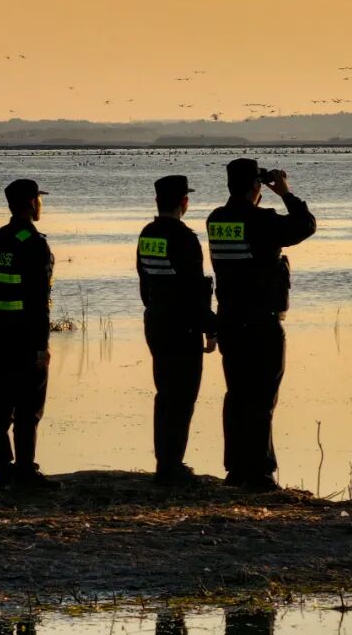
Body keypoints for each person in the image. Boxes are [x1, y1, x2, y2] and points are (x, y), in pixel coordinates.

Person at [206, 158, 316, 492]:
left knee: (237, 395)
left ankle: (236, 469)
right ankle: (260, 472)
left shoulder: (216, 220)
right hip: (261, 322)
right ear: (256, 186)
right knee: (262, 398)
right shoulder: (262, 220)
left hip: (229, 319)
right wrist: (285, 193)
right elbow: (305, 225)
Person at [0, 179, 59, 491]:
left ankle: (1, 471)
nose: (41, 204)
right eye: (39, 199)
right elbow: (39, 302)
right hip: (24, 339)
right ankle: (24, 471)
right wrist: (42, 347)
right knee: (27, 409)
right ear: (32, 203)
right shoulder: (34, 244)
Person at [137, 175, 217, 486]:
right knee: (183, 396)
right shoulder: (185, 238)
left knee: (165, 393)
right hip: (182, 326)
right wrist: (209, 329)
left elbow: (144, 281)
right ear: (184, 202)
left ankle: (164, 461)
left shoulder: (147, 234)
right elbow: (195, 290)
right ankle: (172, 466)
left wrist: (155, 308)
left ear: (158, 201)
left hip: (156, 321)